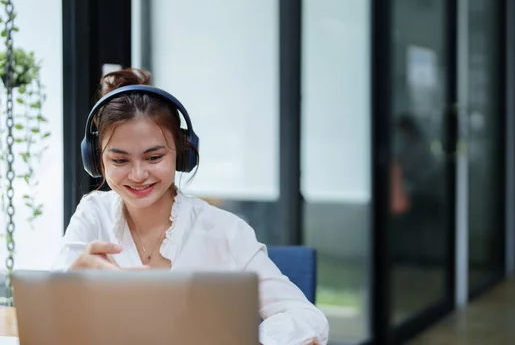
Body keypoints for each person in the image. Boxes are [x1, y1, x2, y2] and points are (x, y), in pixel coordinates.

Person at [53, 68, 329, 345]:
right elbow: (49, 321)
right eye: (120, 161)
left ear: (182, 155)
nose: (138, 174)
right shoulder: (92, 214)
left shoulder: (224, 231)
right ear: (97, 161)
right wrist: (71, 285)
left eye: (154, 157)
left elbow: (306, 317)